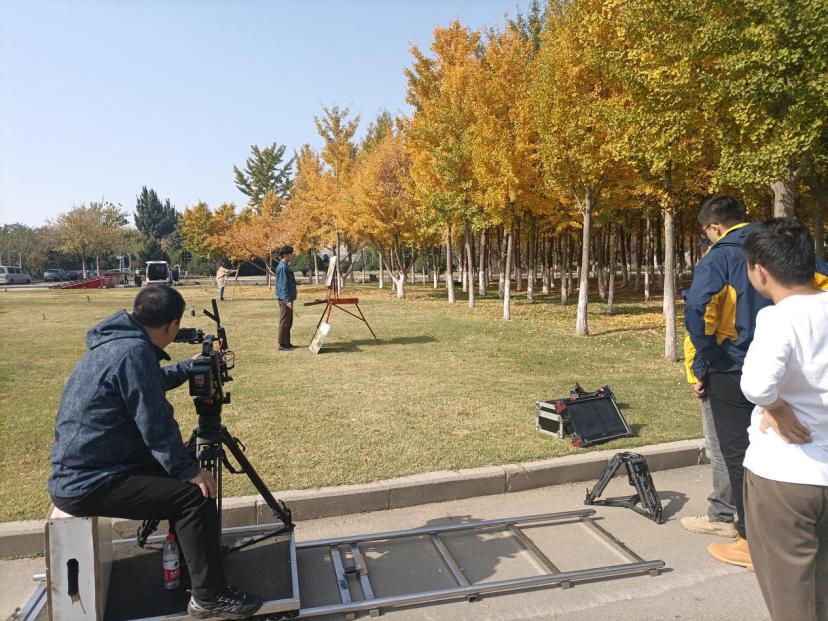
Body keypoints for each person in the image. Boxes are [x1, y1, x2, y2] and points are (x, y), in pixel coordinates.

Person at [47, 285, 262, 619]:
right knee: (195, 494)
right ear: (172, 325)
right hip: (89, 481)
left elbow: (149, 381)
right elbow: (155, 425)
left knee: (183, 476)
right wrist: (190, 471)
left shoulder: (118, 343)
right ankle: (209, 598)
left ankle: (198, 557)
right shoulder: (134, 353)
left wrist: (188, 367)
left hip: (89, 466)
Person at [739, 218, 828, 621]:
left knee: (793, 596)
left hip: (786, 475)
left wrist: (776, 407)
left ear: (759, 270)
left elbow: (757, 386)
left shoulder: (780, 317)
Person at [682, 195, 770, 568]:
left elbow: (698, 308)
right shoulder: (781, 246)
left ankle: (751, 540)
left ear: (713, 227)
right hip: (785, 367)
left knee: (737, 453)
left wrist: (708, 359)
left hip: (734, 368)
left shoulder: (720, 257)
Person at [680, 236, 737, 538]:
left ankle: (722, 515)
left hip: (721, 371)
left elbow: (699, 326)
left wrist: (699, 371)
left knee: (721, 446)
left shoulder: (717, 274)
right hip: (745, 370)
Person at [275, 245, 298, 351]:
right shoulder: (283, 267)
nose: (292, 256)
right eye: (290, 254)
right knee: (284, 321)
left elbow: (287, 281)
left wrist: (295, 282)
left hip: (287, 298)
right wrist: (287, 300)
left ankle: (287, 342)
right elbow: (283, 285)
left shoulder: (285, 265)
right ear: (285, 255)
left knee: (289, 321)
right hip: (285, 299)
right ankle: (282, 344)